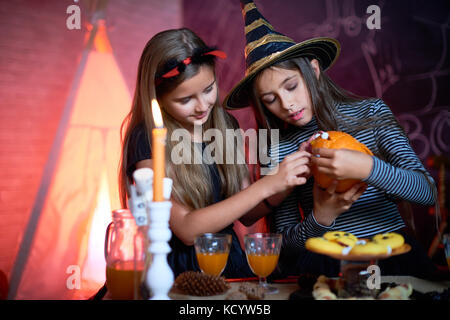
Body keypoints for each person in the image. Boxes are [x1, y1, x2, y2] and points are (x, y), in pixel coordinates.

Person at [224, 0, 438, 278]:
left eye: (291, 86)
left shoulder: (372, 113)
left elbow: (426, 192)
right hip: (327, 268)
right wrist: (321, 218)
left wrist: (367, 168)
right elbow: (284, 244)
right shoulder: (281, 149)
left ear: (313, 71)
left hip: (391, 260)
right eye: (270, 100)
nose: (287, 104)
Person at [118, 27, 311, 278]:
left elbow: (247, 213)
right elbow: (186, 230)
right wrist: (266, 186)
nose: (202, 106)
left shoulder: (225, 124)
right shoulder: (147, 139)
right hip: (178, 274)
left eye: (209, 90)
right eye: (186, 99)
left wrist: (285, 181)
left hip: (230, 266)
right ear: (159, 99)